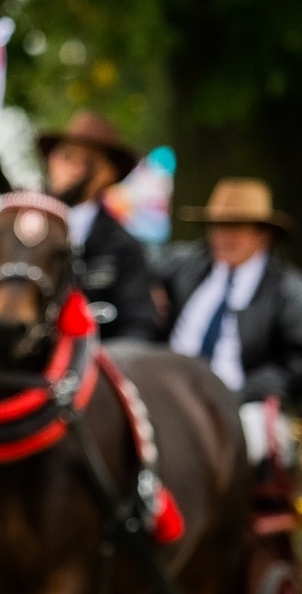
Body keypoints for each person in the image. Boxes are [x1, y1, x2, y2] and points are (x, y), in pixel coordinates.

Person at [160, 178, 302, 467]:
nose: (224, 236)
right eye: (218, 226)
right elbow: (136, 280)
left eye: (236, 227)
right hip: (169, 387)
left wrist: (242, 392)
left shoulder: (286, 290)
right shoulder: (185, 265)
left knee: (237, 442)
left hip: (244, 401)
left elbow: (296, 364)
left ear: (263, 235)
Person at [36, 110, 159, 339]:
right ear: (50, 161)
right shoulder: (19, 226)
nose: (76, 169)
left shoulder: (123, 247)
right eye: (67, 157)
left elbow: (138, 326)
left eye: (89, 163)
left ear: (111, 174)